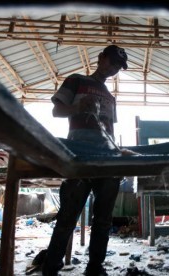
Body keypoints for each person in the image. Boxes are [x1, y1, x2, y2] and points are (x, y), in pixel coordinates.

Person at [42, 45, 129, 276]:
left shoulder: (111, 97)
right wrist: (77, 107)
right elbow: (56, 112)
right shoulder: (76, 80)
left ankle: (95, 267)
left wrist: (120, 151)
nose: (113, 69)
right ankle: (51, 266)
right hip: (79, 157)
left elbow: (108, 131)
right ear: (100, 58)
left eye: (118, 67)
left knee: (103, 220)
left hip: (108, 160)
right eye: (111, 63)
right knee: (68, 217)